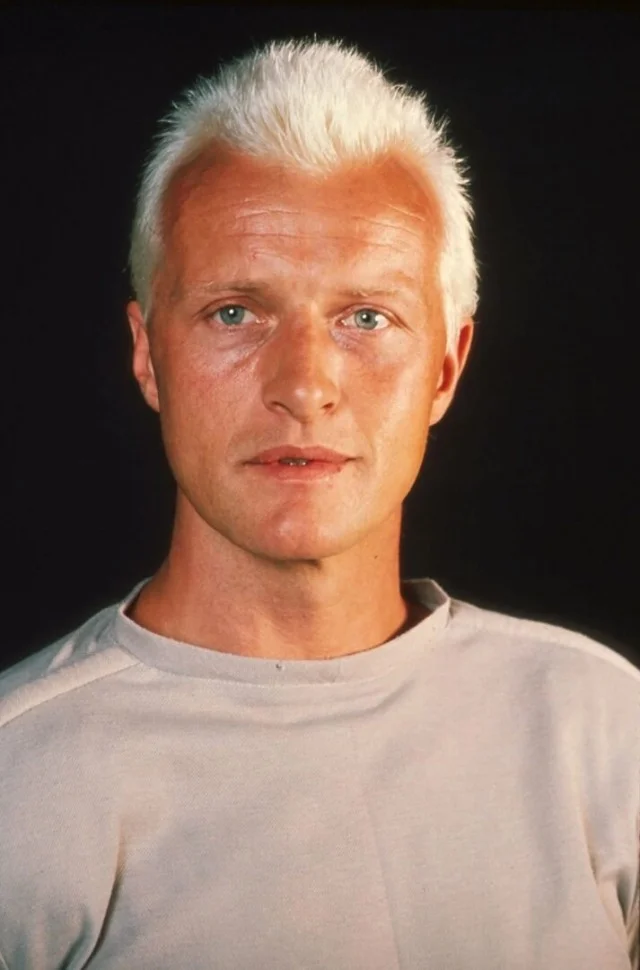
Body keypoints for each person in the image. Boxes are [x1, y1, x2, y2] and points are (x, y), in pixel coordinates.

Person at [0, 37, 637, 970]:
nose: (304, 386)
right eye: (234, 312)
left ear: (445, 367)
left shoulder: (605, 732)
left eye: (366, 318)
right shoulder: (21, 782)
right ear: (147, 354)